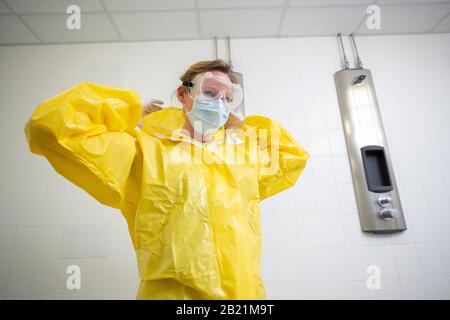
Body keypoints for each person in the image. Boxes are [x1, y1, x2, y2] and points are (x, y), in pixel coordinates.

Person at [24, 59, 310, 299]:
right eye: (210, 93)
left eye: (227, 98)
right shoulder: (145, 151)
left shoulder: (243, 158)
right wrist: (130, 108)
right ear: (183, 94)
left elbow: (293, 156)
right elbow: (48, 126)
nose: (220, 103)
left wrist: (241, 122)